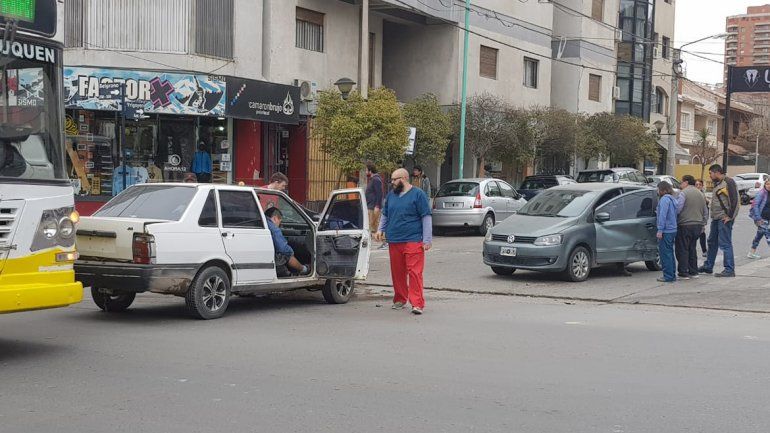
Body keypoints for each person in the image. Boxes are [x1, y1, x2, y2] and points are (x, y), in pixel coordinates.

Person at [374, 168, 432, 315]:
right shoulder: (391, 196)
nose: (392, 183)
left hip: (413, 239)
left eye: (394, 180)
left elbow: (426, 216)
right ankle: (400, 299)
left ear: (404, 178)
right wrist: (380, 230)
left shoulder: (418, 194)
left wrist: (427, 239)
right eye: (392, 180)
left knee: (414, 272)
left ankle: (417, 303)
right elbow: (385, 214)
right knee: (397, 272)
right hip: (394, 239)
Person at [699, 164, 739, 277]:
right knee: (712, 242)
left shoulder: (728, 182)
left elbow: (735, 201)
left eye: (710, 173)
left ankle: (729, 269)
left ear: (717, 172)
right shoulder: (718, 184)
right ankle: (708, 266)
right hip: (716, 218)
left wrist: (730, 216)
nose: (710, 176)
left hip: (724, 219)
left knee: (725, 243)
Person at [674, 175, 708, 280]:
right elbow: (705, 211)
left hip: (685, 224)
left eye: (681, 182)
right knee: (692, 248)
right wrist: (703, 223)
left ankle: (683, 272)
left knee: (683, 248)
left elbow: (678, 209)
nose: (680, 184)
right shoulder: (701, 194)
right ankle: (694, 271)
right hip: (697, 225)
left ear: (686, 182)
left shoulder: (683, 193)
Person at [265, 207, 310, 276]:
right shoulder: (273, 228)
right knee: (286, 254)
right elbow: (282, 248)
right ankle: (304, 269)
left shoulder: (263, 223)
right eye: (280, 222)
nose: (279, 226)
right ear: (275, 218)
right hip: (273, 261)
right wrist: (291, 252)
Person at [656, 181, 678, 283]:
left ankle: (668, 276)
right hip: (673, 229)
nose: (657, 191)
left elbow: (662, 215)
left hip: (666, 230)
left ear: (662, 190)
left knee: (665, 254)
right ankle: (672, 274)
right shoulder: (672, 199)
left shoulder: (664, 200)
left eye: (658, 189)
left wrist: (660, 230)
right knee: (670, 253)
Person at [365, 162, 386, 248]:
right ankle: (382, 242)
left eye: (366, 170)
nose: (366, 172)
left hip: (374, 206)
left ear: (370, 170)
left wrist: (377, 206)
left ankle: (384, 242)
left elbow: (379, 193)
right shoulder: (373, 179)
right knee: (372, 225)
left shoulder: (376, 179)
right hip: (370, 205)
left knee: (376, 225)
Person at [748, 179, 770, 259]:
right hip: (761, 218)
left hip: (768, 218)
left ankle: (751, 252)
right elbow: (755, 206)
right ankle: (751, 253)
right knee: (768, 235)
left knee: (759, 235)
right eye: (767, 184)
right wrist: (758, 218)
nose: (769, 185)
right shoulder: (762, 193)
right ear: (765, 185)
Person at [695, 179, 709, 257]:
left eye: (699, 185)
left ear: (702, 186)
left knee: (702, 234)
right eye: (696, 185)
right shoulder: (694, 194)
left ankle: (704, 251)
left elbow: (706, 210)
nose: (698, 186)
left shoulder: (703, 195)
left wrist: (704, 222)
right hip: (694, 218)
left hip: (701, 219)